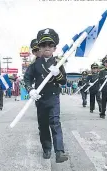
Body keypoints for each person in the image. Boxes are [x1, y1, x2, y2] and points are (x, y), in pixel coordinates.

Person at [23, 29, 68, 163]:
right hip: (40, 99)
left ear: (54, 48)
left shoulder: (58, 63)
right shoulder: (35, 64)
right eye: (43, 45)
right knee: (43, 125)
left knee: (55, 123)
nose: (47, 48)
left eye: (50, 45)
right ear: (40, 48)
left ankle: (59, 152)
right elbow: (27, 78)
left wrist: (57, 74)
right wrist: (30, 90)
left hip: (53, 98)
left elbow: (63, 81)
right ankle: (46, 148)